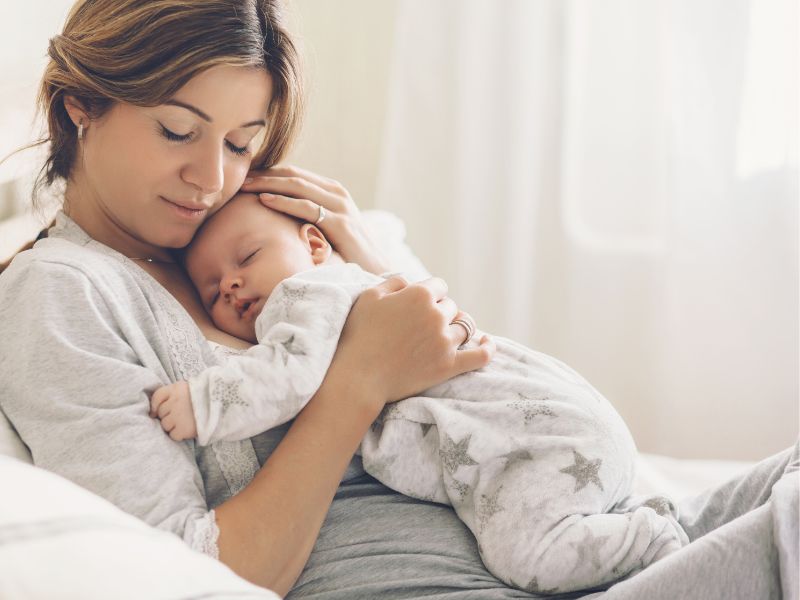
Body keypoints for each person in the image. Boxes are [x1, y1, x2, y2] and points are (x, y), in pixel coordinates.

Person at [0, 1, 795, 599]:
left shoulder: (252, 228)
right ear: (83, 106)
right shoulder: (60, 296)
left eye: (241, 143)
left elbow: (465, 384)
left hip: (566, 532)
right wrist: (357, 379)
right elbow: (189, 570)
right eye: (178, 130)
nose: (211, 179)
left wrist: (372, 263)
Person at [149, 193, 688, 594]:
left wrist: (205, 402)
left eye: (245, 259)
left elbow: (284, 378)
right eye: (214, 290)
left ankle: (651, 541)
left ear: (315, 245)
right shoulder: (365, 289)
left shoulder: (306, 296)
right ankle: (639, 520)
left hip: (534, 439)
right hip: (559, 428)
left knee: (528, 553)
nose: (233, 286)